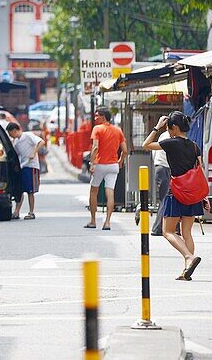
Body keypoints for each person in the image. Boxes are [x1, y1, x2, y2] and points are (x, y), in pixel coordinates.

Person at [143, 112, 203, 280]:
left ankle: (189, 258)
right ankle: (187, 270)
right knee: (187, 233)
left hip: (176, 191)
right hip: (192, 192)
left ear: (174, 128)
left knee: (167, 231)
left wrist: (156, 128)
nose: (168, 131)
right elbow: (200, 168)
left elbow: (146, 144)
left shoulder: (170, 143)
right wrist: (203, 195)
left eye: (168, 128)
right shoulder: (194, 146)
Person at [86, 107, 129, 230]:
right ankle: (107, 222)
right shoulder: (117, 130)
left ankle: (93, 221)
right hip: (113, 165)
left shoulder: (97, 129)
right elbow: (125, 150)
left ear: (103, 116)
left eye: (97, 116)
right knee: (110, 192)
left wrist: (92, 163)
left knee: (94, 191)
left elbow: (95, 148)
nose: (95, 118)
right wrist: (120, 161)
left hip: (100, 164)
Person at [7, 122, 43, 219]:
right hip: (22, 166)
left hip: (31, 166)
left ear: (14, 131)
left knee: (30, 191)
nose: (11, 136)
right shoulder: (16, 142)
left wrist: (33, 152)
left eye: (10, 133)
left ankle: (31, 212)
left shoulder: (28, 135)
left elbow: (41, 142)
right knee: (20, 189)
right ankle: (16, 212)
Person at [150, 131, 171, 237]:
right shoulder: (169, 137)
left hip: (160, 167)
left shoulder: (163, 135)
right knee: (166, 198)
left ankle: (166, 227)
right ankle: (158, 228)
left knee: (166, 198)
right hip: (165, 168)